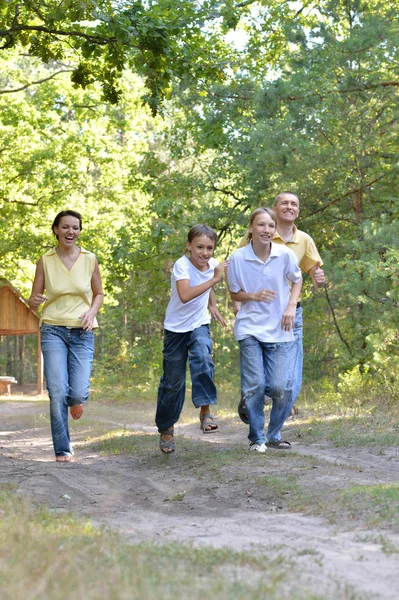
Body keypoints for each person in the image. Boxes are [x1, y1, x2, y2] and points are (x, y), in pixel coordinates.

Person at [236, 191, 325, 422]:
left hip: (290, 314)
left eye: (294, 203)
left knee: (291, 377)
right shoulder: (260, 232)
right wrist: (238, 305)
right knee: (264, 374)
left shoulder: (304, 240)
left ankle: (276, 427)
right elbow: (238, 271)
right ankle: (254, 394)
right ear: (275, 209)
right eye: (284, 203)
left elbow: (308, 275)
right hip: (259, 314)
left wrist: (317, 279)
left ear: (298, 210)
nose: (289, 206)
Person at [29, 210, 104, 463]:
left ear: (80, 231)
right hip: (52, 329)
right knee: (57, 391)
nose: (71, 232)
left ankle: (77, 401)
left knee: (76, 392)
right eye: (66, 227)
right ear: (56, 230)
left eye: (76, 227)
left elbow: (99, 294)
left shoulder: (90, 259)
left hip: (83, 331)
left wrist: (92, 312)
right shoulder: (46, 260)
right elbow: (33, 301)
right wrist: (34, 300)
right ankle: (63, 448)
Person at [228, 207, 302, 452]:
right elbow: (234, 293)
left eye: (270, 226)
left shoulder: (284, 254)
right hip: (249, 328)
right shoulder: (238, 258)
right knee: (255, 385)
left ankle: (273, 433)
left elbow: (297, 278)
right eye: (261, 225)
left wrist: (291, 306)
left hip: (279, 329)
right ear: (251, 228)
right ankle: (257, 438)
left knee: (281, 387)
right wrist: (253, 296)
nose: (266, 230)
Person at [155, 225, 228, 454]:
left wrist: (213, 304)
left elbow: (207, 283)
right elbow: (186, 295)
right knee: (173, 382)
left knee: (203, 357)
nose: (205, 253)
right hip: (175, 330)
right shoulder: (182, 265)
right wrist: (214, 280)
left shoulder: (213, 265)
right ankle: (167, 428)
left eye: (209, 248)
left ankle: (205, 412)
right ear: (189, 246)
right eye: (199, 247)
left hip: (199, 324)